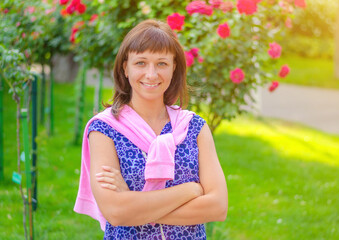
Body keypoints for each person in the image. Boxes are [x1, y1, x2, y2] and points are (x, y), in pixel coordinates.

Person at [74, 19, 228, 240]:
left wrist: (134, 205)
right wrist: (191, 191)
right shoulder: (104, 129)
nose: (152, 74)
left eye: (162, 63)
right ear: (125, 67)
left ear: (174, 67)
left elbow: (218, 207)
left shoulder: (194, 127)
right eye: (141, 63)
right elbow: (116, 212)